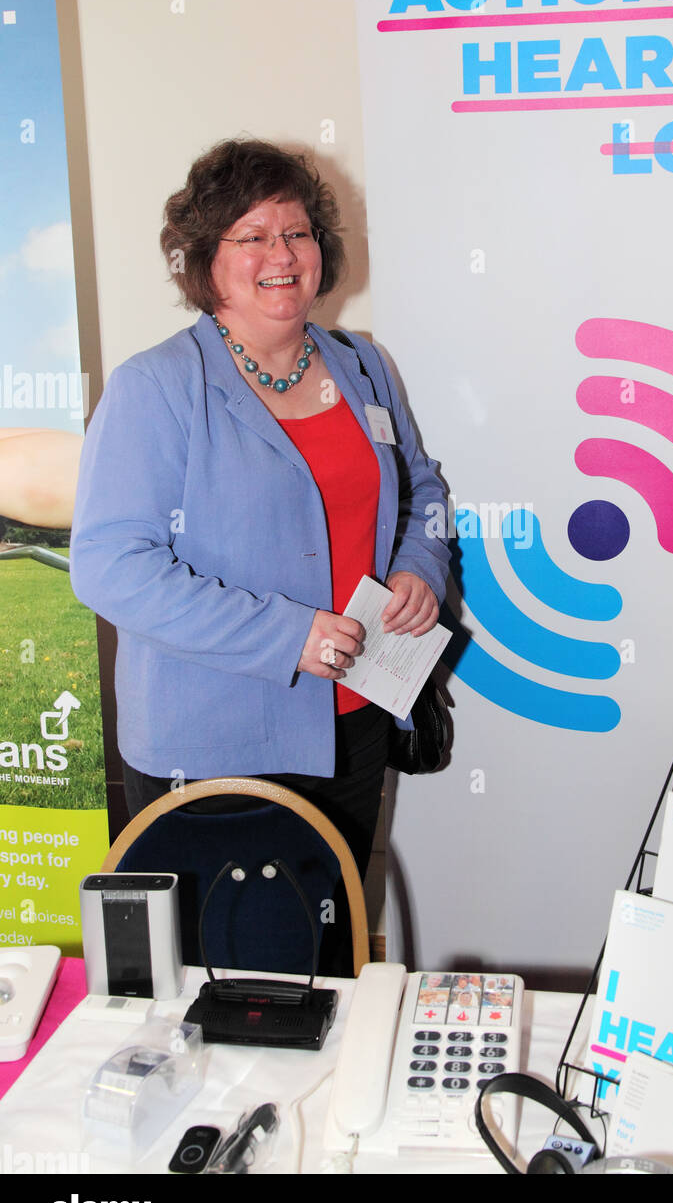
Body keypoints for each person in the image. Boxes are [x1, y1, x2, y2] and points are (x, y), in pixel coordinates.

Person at [70, 139, 450, 888]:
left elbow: (422, 488)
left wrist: (418, 565)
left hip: (355, 722)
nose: (282, 252)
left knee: (331, 961)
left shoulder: (362, 364)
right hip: (215, 752)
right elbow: (110, 568)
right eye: (252, 236)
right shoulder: (156, 387)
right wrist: (286, 637)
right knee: (230, 986)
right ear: (206, 259)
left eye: (298, 232)